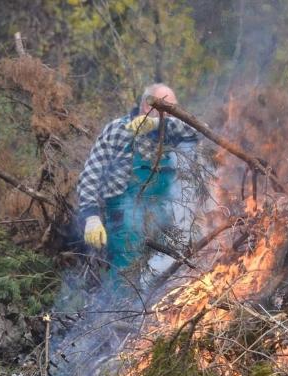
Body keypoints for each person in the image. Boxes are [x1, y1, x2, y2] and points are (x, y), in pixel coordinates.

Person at [77, 83, 199, 280]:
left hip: (165, 223)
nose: (171, 114)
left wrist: (160, 123)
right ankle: (122, 312)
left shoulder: (173, 132)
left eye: (173, 109)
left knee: (165, 279)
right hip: (125, 224)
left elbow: (201, 132)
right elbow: (90, 176)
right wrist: (91, 216)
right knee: (125, 280)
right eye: (165, 108)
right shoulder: (117, 130)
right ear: (146, 106)